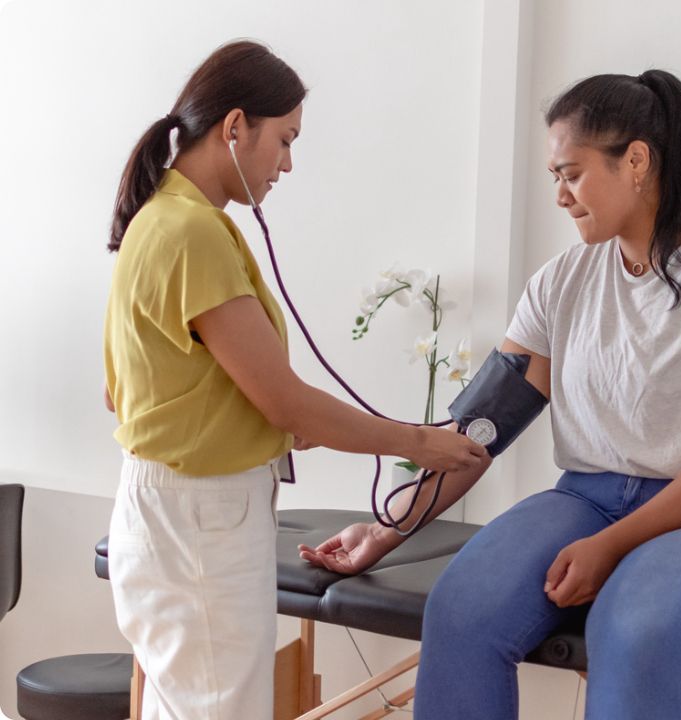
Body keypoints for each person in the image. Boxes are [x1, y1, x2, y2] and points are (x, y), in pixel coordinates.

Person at [299, 69, 681, 719]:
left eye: (571, 173)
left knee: (634, 629)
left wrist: (612, 546)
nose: (559, 195)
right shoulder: (563, 282)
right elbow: (480, 431)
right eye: (555, 176)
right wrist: (389, 529)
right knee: (462, 606)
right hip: (589, 498)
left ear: (636, 161)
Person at [102, 40, 486, 720]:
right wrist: (419, 443)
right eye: (284, 140)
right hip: (201, 519)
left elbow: (135, 393)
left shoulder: (163, 218)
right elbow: (284, 400)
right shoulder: (192, 232)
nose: (287, 163)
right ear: (234, 126)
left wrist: (264, 419)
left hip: (170, 509)